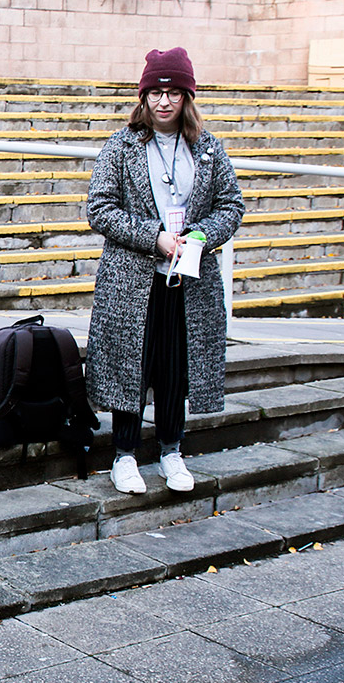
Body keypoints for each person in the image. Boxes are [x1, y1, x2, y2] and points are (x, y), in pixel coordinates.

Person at [85, 47, 244, 495]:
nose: (163, 101)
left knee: (177, 368)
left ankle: (172, 452)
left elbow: (231, 205)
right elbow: (99, 209)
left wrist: (200, 235)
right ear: (144, 96)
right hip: (133, 280)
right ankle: (124, 455)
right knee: (130, 366)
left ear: (187, 97)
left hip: (188, 280)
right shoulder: (121, 146)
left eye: (173, 92)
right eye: (155, 91)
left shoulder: (208, 149)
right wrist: (153, 236)